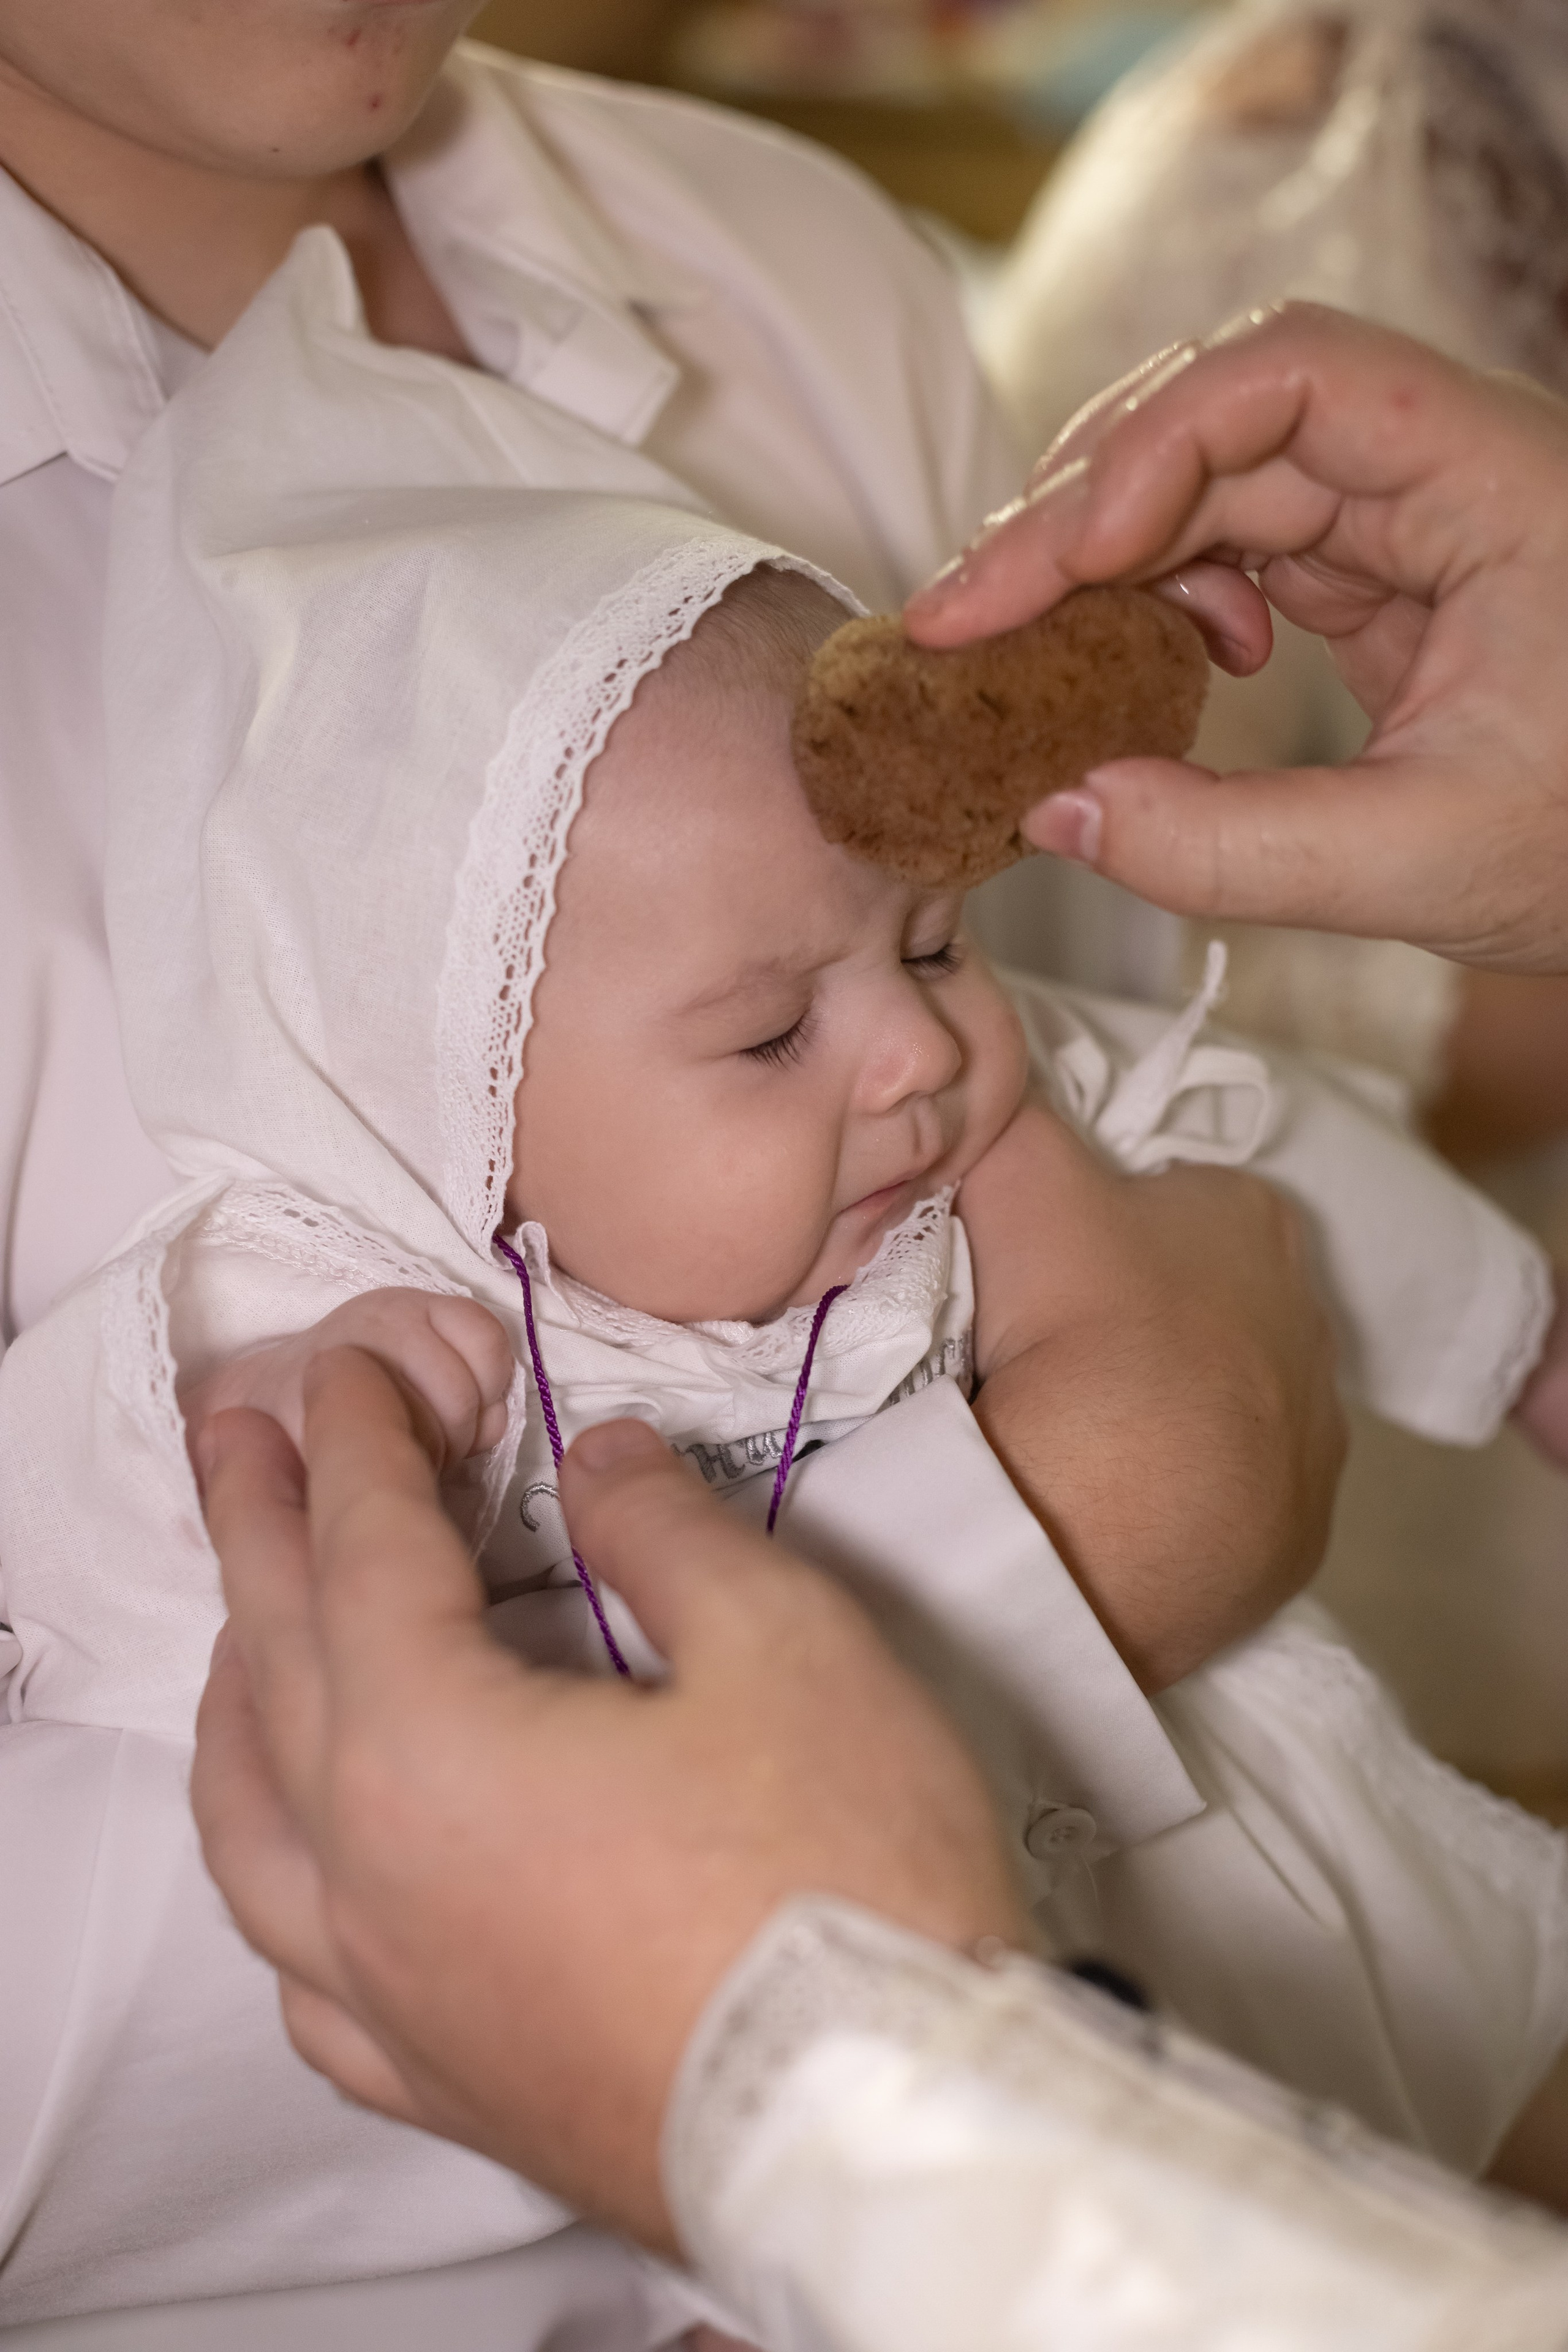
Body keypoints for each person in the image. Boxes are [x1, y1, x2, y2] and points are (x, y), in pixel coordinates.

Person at [10, 257, 1565, 2326]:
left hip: (1174, 1937)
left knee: (1414, 2089)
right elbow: (81, 1538)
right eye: (767, 1039)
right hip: (582, 2065)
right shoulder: (331, 1288)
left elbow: (1248, 1137)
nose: (920, 1055)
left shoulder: (962, 1139)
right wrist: (277, 1402)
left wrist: (1515, 1325)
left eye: (932, 948)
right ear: (448, 1100)